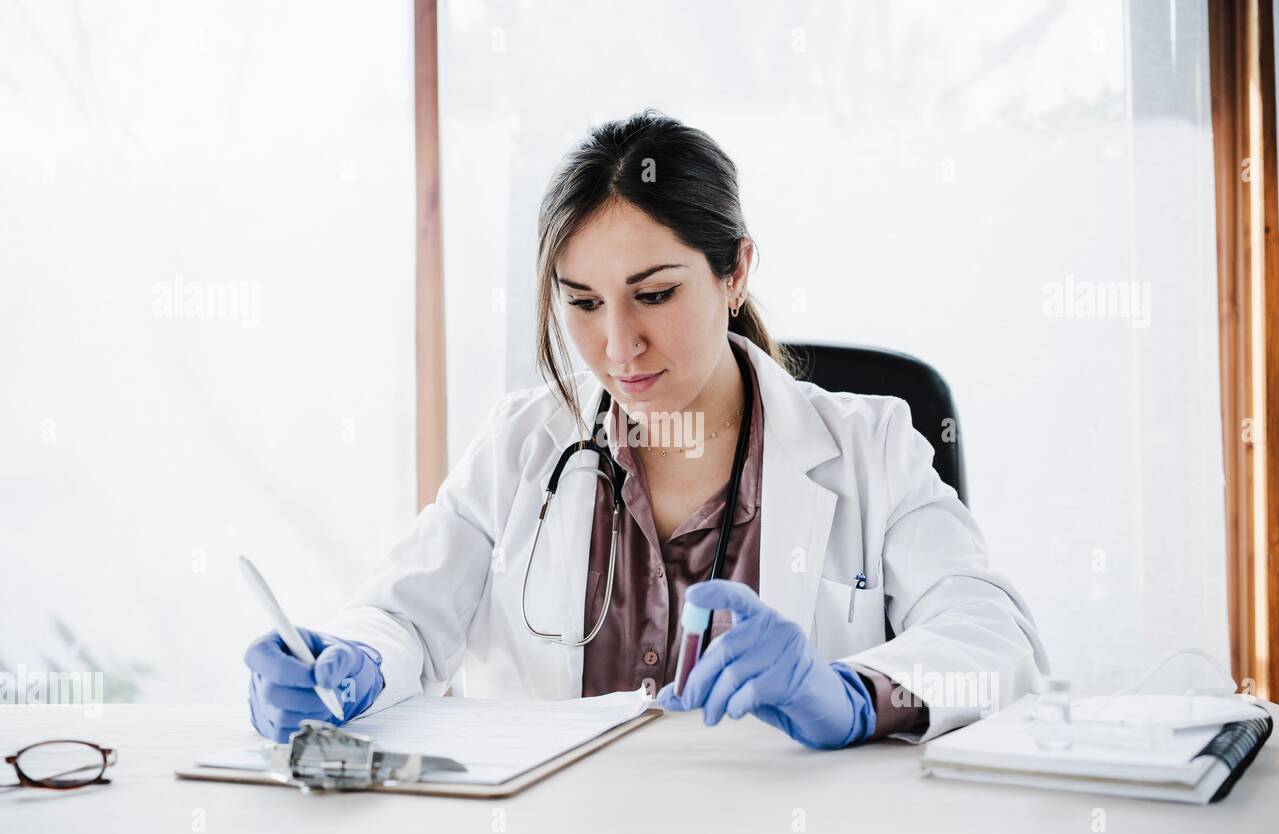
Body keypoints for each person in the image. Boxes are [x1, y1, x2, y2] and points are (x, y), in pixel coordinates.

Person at [245, 108, 1048, 749]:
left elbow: (996, 644)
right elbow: (403, 617)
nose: (618, 346)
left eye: (655, 295)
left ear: (735, 272)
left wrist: (849, 696)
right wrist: (348, 664)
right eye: (584, 303)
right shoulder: (522, 445)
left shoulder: (871, 447)